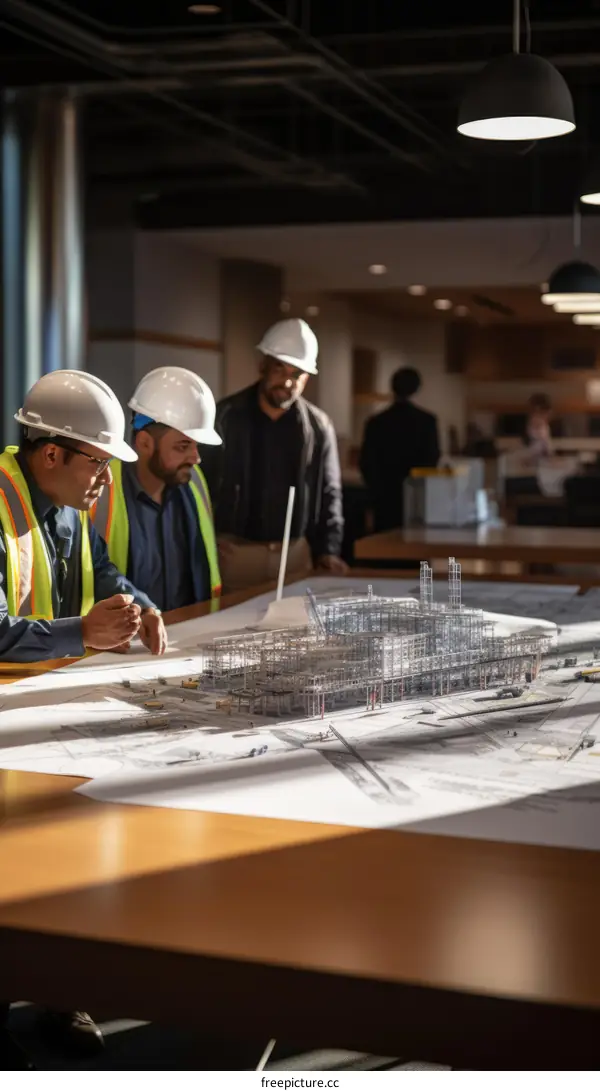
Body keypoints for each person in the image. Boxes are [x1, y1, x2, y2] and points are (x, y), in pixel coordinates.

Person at [0, 369, 167, 1063]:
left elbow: (100, 570)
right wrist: (82, 634)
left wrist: (138, 603)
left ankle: (59, 986)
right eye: (99, 463)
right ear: (51, 455)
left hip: (44, 711)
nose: (106, 481)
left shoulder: (69, 506)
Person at [202, 318, 346, 592]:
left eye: (298, 374)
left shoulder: (318, 426)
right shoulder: (224, 417)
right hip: (234, 554)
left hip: (294, 553)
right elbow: (199, 486)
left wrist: (328, 550)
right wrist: (205, 543)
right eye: (280, 369)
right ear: (263, 366)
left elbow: (330, 493)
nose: (288, 381)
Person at [91, 367, 222, 613]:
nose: (196, 458)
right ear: (144, 443)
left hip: (188, 635)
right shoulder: (102, 490)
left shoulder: (193, 483)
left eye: (196, 446)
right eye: (183, 446)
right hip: (125, 643)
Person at [359, 366, 440, 532]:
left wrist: (376, 490)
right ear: (417, 389)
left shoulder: (376, 422)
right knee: (416, 550)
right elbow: (432, 459)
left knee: (385, 548)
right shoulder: (427, 421)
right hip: (416, 496)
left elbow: (366, 462)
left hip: (384, 498)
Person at [524, 393, 552, 460]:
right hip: (535, 452)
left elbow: (545, 440)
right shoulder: (536, 421)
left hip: (541, 452)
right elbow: (538, 441)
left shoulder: (543, 423)